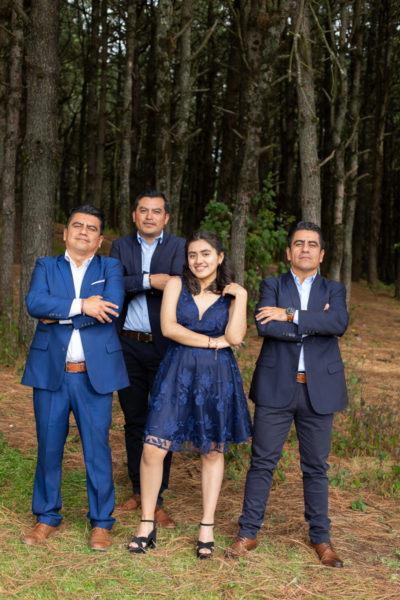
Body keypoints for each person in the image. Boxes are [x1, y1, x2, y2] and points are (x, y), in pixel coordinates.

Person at [226, 222, 348, 567]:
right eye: (298, 244)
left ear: (321, 254)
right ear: (288, 252)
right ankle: (248, 533)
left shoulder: (334, 289)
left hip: (318, 390)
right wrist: (314, 324)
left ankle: (321, 538)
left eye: (312, 244)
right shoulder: (272, 285)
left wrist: (291, 315)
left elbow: (338, 324)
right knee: (262, 462)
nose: (305, 249)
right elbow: (266, 325)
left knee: (316, 467)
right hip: (276, 386)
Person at [128, 230, 252, 558]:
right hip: (177, 373)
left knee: (211, 450)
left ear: (220, 257)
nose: (199, 260)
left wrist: (241, 296)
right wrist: (211, 342)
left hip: (216, 377)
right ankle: (146, 522)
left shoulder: (231, 293)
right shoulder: (175, 285)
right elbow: (169, 328)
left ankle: (206, 525)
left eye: (206, 254)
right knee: (153, 448)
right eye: (193, 254)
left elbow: (235, 337)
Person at [21, 205, 129, 551]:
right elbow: (35, 303)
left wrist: (58, 313)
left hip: (93, 376)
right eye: (77, 225)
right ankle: (46, 516)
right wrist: (82, 306)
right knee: (48, 447)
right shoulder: (46, 266)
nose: (84, 231)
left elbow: (111, 308)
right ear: (66, 233)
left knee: (97, 450)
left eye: (92, 228)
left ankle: (101, 522)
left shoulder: (110, 267)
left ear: (100, 240)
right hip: (50, 373)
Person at [110, 191, 185, 528]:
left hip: (166, 346)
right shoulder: (121, 246)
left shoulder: (179, 247)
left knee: (162, 423)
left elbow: (180, 283)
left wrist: (139, 284)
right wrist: (150, 281)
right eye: (144, 210)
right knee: (134, 419)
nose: (150, 216)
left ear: (166, 217)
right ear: (134, 215)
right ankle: (139, 492)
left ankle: (157, 497)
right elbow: (113, 283)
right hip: (127, 345)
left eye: (157, 211)